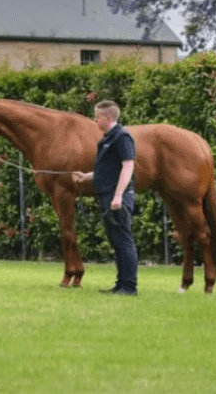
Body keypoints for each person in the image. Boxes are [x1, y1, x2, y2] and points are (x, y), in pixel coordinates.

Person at [72, 100, 138, 296]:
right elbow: (108, 170)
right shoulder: (108, 138)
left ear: (108, 117)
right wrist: (86, 176)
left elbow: (128, 166)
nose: (95, 120)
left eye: (97, 116)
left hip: (117, 198)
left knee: (124, 241)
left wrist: (118, 196)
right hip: (107, 195)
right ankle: (121, 284)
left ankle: (129, 287)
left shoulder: (122, 137)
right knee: (117, 242)